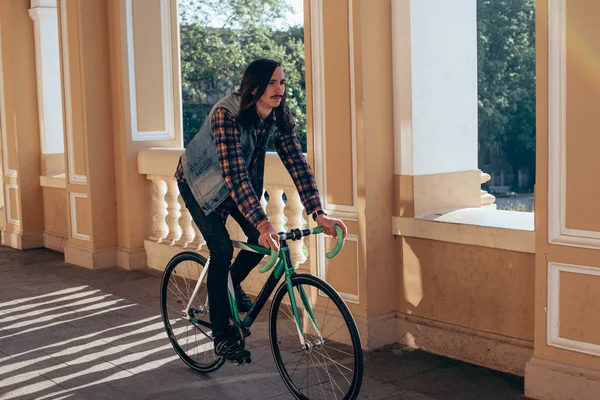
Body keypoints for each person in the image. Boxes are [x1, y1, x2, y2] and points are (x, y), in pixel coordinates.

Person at [175, 58, 347, 362]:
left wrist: (318, 212)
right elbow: (236, 176)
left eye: (282, 82)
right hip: (201, 185)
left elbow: (296, 162)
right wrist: (263, 223)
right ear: (253, 86)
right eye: (271, 83)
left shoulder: (279, 115)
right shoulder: (226, 115)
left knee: (264, 243)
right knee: (222, 248)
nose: (278, 89)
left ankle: (230, 283)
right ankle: (222, 336)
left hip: (236, 188)